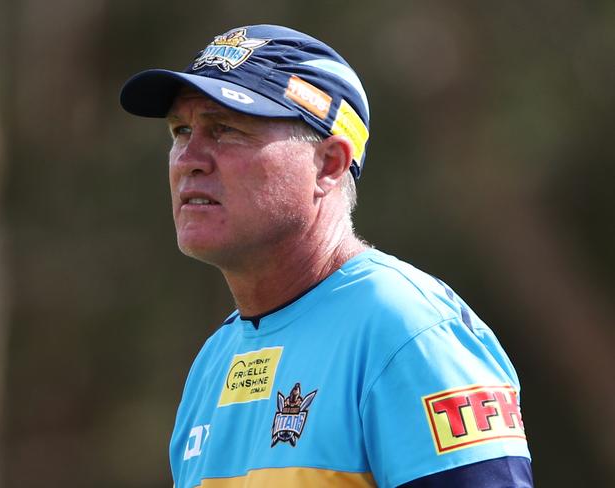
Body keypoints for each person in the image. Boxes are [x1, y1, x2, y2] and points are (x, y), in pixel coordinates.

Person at [120, 24, 533, 488]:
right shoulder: (214, 361)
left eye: (226, 129)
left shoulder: (407, 331)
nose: (188, 158)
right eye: (181, 130)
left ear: (329, 164)